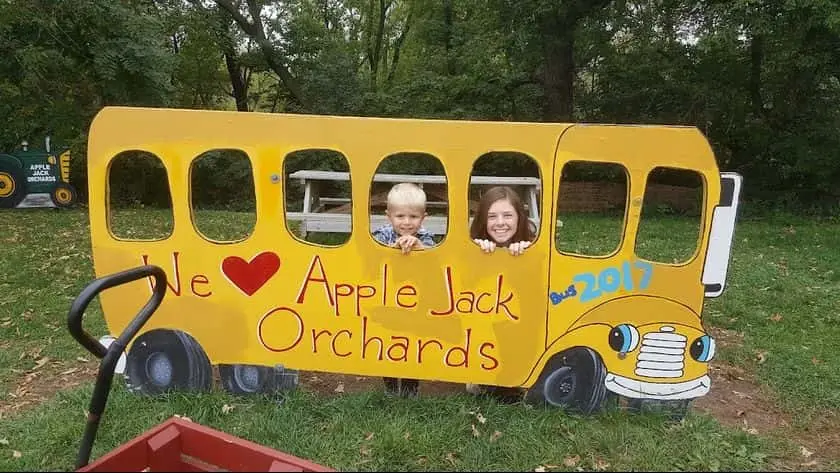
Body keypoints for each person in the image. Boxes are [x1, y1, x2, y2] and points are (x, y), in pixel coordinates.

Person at [466, 185, 535, 401]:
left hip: (518, 325)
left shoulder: (532, 246)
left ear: (519, 218)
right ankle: (481, 377)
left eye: (507, 215)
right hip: (485, 326)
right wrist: (476, 255)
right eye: (492, 216)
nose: (500, 223)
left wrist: (527, 257)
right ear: (483, 221)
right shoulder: (474, 246)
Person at [372, 182, 436, 397]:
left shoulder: (426, 237)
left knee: (411, 342)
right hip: (387, 300)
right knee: (387, 341)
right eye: (400, 216)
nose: (407, 222)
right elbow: (373, 262)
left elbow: (435, 263)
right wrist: (393, 251)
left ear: (423, 217)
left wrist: (420, 249)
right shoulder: (381, 236)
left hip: (414, 303)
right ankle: (390, 387)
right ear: (389, 216)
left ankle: (410, 389)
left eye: (413, 217)